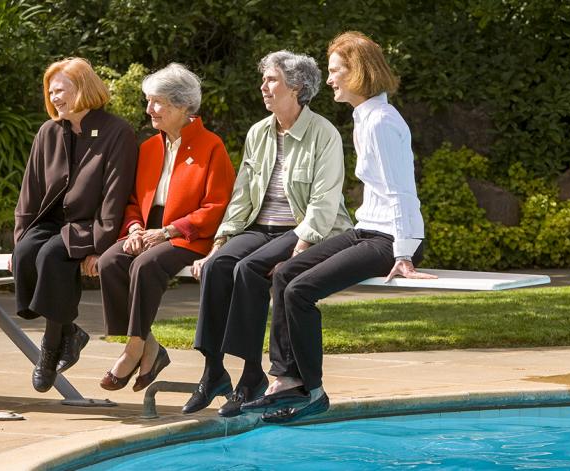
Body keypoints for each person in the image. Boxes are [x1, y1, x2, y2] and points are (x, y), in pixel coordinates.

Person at [242, 31, 437, 423]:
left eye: (335, 72)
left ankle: (310, 390)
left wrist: (403, 253)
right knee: (284, 274)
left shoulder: (380, 122)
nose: (329, 80)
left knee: (299, 291)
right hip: (370, 229)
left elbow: (400, 191)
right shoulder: (365, 116)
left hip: (391, 241)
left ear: (358, 72)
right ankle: (285, 379)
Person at [182, 51, 353, 417]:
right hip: (261, 227)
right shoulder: (259, 132)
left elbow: (325, 199)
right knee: (218, 267)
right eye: (264, 79)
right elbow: (243, 193)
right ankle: (213, 371)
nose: (263, 86)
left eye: (272, 80)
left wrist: (303, 244)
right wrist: (220, 241)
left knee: (248, 270)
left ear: (297, 87)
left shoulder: (324, 133)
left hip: (304, 228)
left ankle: (250, 378)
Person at [97, 63, 235, 393]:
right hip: (146, 230)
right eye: (149, 101)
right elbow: (132, 199)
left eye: (157, 102)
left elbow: (217, 207)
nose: (149, 110)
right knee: (110, 263)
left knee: (145, 266)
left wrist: (167, 232)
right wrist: (132, 229)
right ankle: (150, 348)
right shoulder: (148, 148)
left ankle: (132, 350)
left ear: (183, 106)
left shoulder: (212, 146)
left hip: (188, 235)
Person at [12, 57, 138, 393]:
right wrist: (19, 236)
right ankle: (70, 331)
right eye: (50, 91)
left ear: (82, 88)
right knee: (26, 252)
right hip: (51, 220)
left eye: (61, 90)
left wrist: (99, 247)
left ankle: (50, 347)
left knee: (52, 256)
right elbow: (31, 190)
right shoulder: (48, 132)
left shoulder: (117, 133)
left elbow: (114, 197)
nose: (54, 97)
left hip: (89, 224)